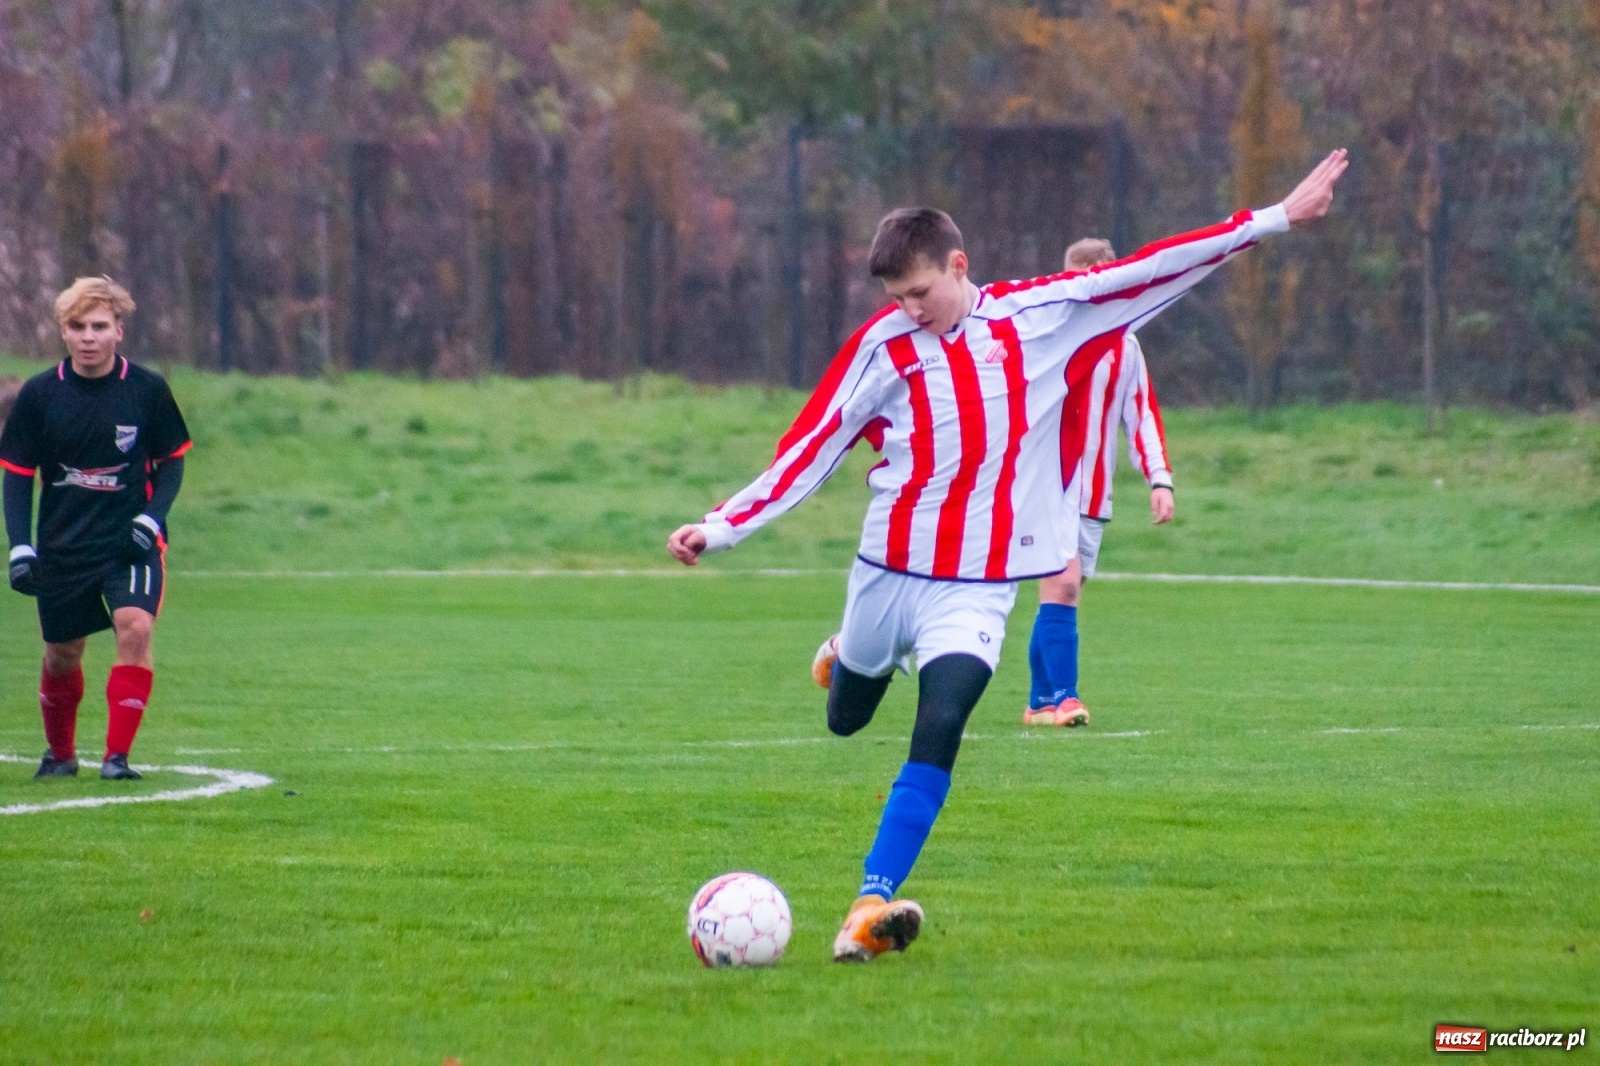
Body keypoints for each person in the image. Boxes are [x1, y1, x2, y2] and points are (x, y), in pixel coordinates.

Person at [667, 150, 1348, 961]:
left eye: (920, 292)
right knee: (847, 720)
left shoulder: (1041, 316)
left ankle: (868, 908)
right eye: (896, 298)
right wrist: (723, 525)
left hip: (979, 585)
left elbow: (1156, 268)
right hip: (888, 571)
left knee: (943, 720)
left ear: (959, 266)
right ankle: (850, 654)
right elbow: (810, 446)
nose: (910, 310)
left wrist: (1274, 218)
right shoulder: (881, 351)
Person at [2, 277, 192, 781]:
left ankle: (117, 758)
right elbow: (18, 478)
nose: (88, 337)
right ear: (63, 333)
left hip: (128, 542)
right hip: (63, 545)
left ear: (119, 332)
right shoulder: (40, 395)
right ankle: (60, 755)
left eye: (99, 326)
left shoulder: (147, 390)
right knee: (63, 654)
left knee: (136, 626)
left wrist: (151, 520)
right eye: (77, 326)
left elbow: (172, 463)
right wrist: (20, 546)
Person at [1023, 237, 1175, 729]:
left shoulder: (1126, 344)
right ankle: (1067, 697)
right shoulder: (1045, 333)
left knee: (1064, 593)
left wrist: (1159, 478)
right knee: (1064, 585)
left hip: (1093, 494)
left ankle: (1039, 701)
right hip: (1047, 487)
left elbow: (1142, 413)